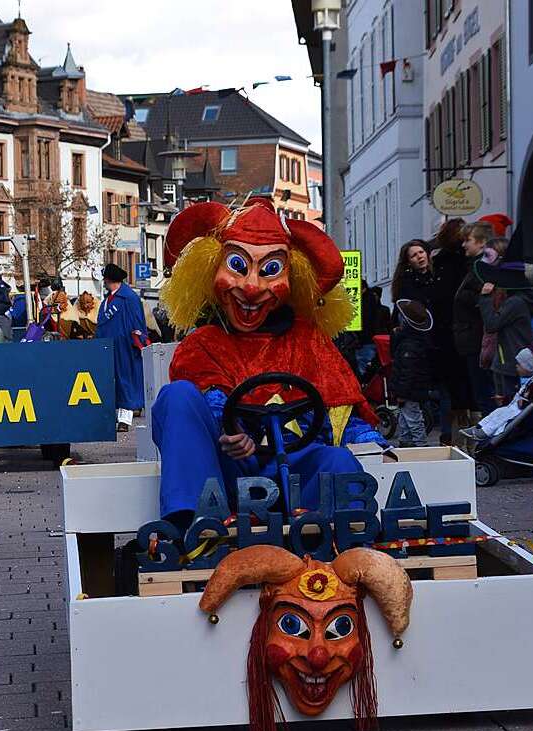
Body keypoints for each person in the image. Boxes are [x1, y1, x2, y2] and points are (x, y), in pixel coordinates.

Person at [150, 197, 383, 532]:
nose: (251, 287)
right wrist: (232, 433)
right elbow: (208, 400)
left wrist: (372, 442)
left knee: (339, 460)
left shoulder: (308, 340)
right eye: (238, 266)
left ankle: (347, 545)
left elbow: (342, 403)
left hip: (295, 465)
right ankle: (194, 525)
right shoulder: (203, 342)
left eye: (270, 270)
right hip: (226, 471)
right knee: (177, 395)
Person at [475, 236, 533, 405]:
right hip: (505, 360)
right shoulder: (512, 299)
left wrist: (485, 297)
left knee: (508, 406)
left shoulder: (515, 301)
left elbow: (492, 324)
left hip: (510, 362)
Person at [429, 218, 472, 444]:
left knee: (451, 389)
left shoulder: (441, 264)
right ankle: (462, 437)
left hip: (445, 336)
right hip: (459, 335)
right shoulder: (462, 264)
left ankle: (452, 435)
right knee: (463, 388)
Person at [95, 263, 149, 431]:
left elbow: (137, 323)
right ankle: (112, 416)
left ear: (111, 280)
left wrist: (138, 341)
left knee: (126, 381)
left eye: (105, 279)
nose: (104, 282)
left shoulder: (129, 298)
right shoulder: (106, 301)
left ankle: (125, 420)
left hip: (125, 347)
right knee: (112, 382)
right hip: (108, 347)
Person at [452, 222, 498, 420]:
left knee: (485, 392)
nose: (464, 245)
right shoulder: (475, 266)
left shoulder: (482, 268)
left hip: (478, 338)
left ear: (482, 243)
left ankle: (493, 438)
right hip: (472, 338)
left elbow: (484, 301)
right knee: (483, 391)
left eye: (467, 240)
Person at [461, 348, 533, 442]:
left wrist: (524, 403)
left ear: (529, 367)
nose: (516, 366)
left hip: (520, 411)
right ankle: (479, 427)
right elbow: (517, 395)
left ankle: (486, 432)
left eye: (520, 365)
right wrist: (505, 399)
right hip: (514, 407)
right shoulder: (527, 381)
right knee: (497, 412)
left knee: (502, 417)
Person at [389, 300, 434, 448]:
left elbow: (407, 372)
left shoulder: (409, 345)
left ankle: (420, 445)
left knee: (413, 419)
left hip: (409, 391)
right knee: (405, 417)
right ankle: (406, 443)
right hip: (412, 389)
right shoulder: (414, 341)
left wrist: (401, 392)